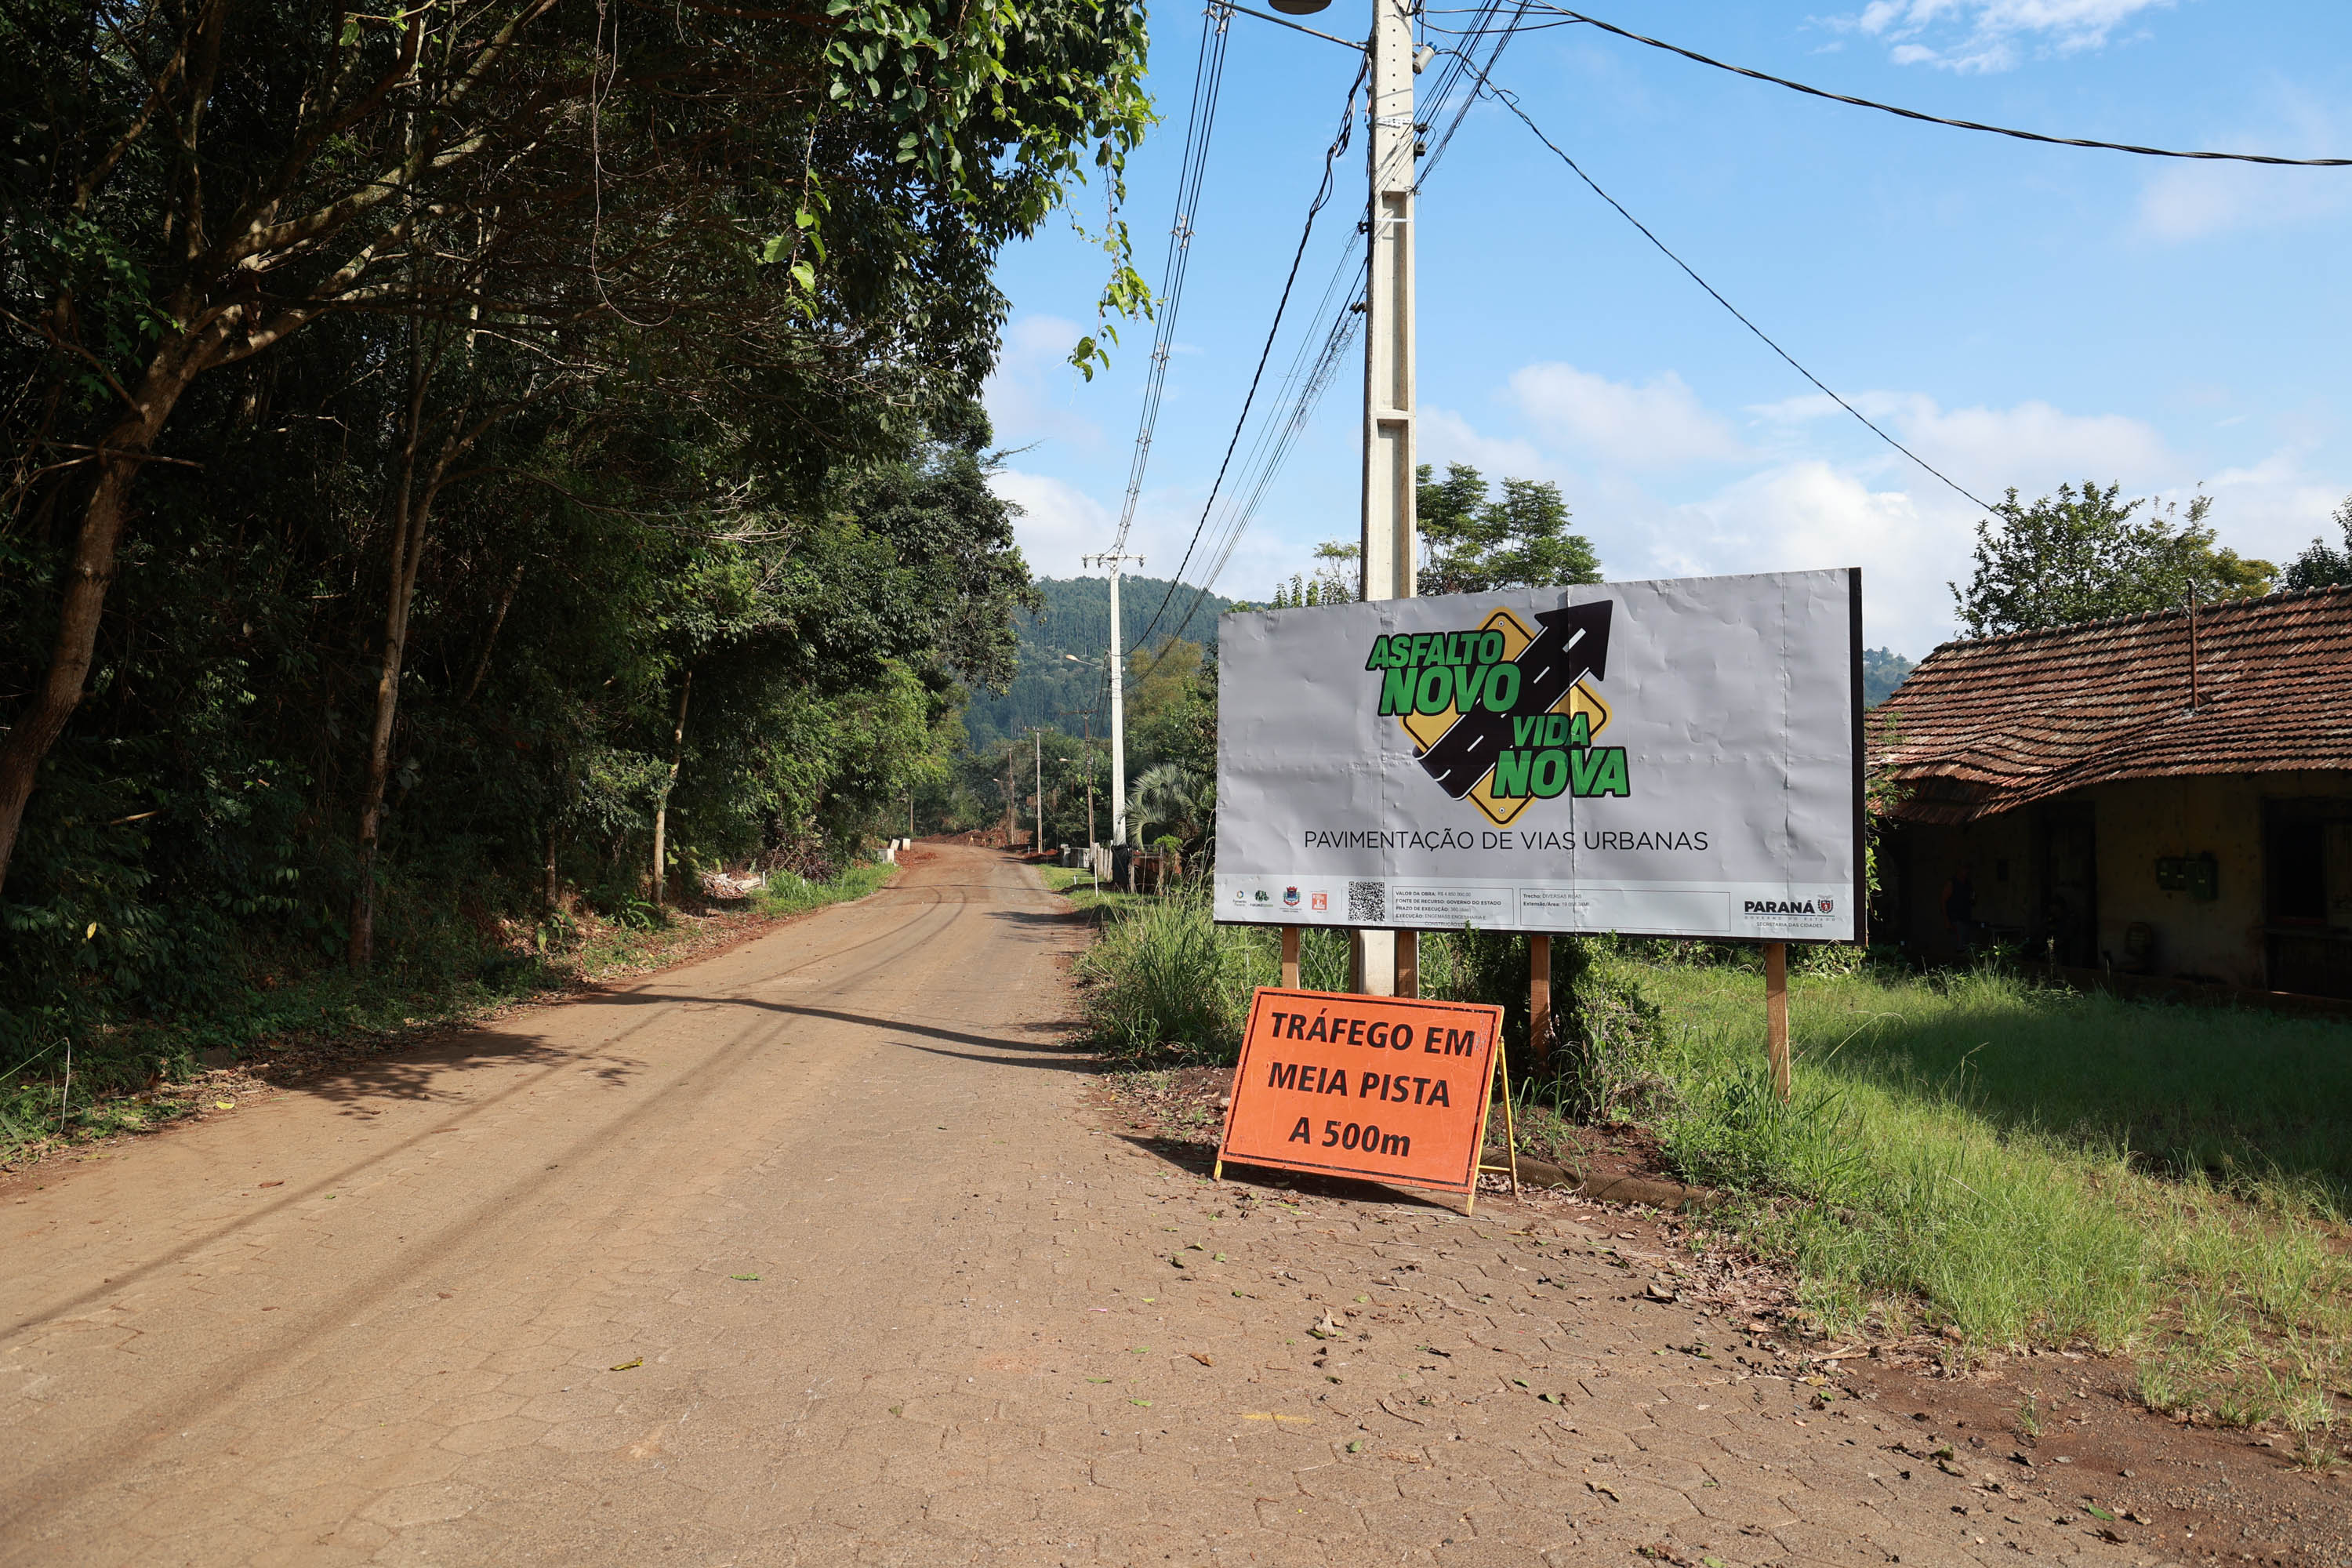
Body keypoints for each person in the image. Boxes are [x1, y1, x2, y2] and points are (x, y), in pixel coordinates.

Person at [1941, 864, 1976, 954]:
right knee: (1958, 945)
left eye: (1967, 870)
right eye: (1964, 869)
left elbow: (1972, 899)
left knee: (1966, 945)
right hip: (1955, 919)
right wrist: (1947, 920)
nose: (1966, 872)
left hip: (1966, 918)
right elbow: (1943, 901)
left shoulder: (1968, 884)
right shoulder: (1952, 883)